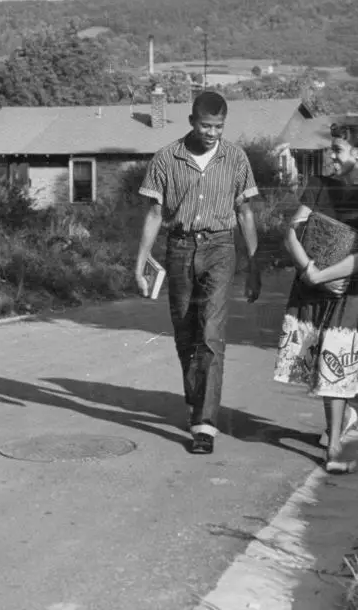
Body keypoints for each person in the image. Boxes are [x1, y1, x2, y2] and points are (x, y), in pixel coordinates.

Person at [135, 90, 261, 455]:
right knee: (185, 332)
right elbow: (155, 215)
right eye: (206, 126)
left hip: (221, 247)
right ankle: (197, 396)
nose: (212, 133)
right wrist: (141, 261)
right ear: (192, 121)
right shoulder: (166, 158)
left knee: (211, 332)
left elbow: (246, 212)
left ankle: (204, 423)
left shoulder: (235, 157)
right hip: (179, 248)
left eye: (219, 127)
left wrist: (253, 265)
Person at [273, 122, 358, 474]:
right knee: (323, 363)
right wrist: (309, 271)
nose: (332, 156)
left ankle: (335, 448)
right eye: (331, 149)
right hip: (314, 283)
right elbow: (291, 232)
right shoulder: (319, 185)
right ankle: (340, 423)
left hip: (352, 288)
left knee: (334, 360)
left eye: (338, 150)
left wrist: (322, 276)